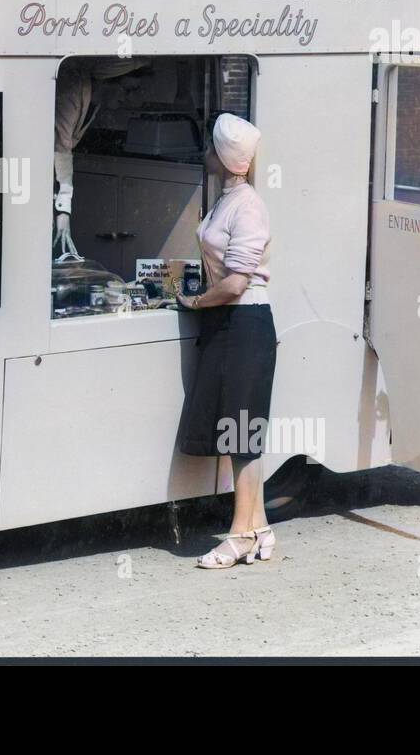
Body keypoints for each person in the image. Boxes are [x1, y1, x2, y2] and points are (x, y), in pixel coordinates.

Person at [174, 112, 276, 568]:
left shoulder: (247, 205)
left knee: (242, 432)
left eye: (212, 146)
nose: (206, 152)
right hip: (231, 324)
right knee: (239, 430)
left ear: (224, 156)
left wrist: (196, 303)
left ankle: (239, 536)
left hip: (244, 322)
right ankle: (261, 529)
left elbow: (236, 283)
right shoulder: (229, 199)